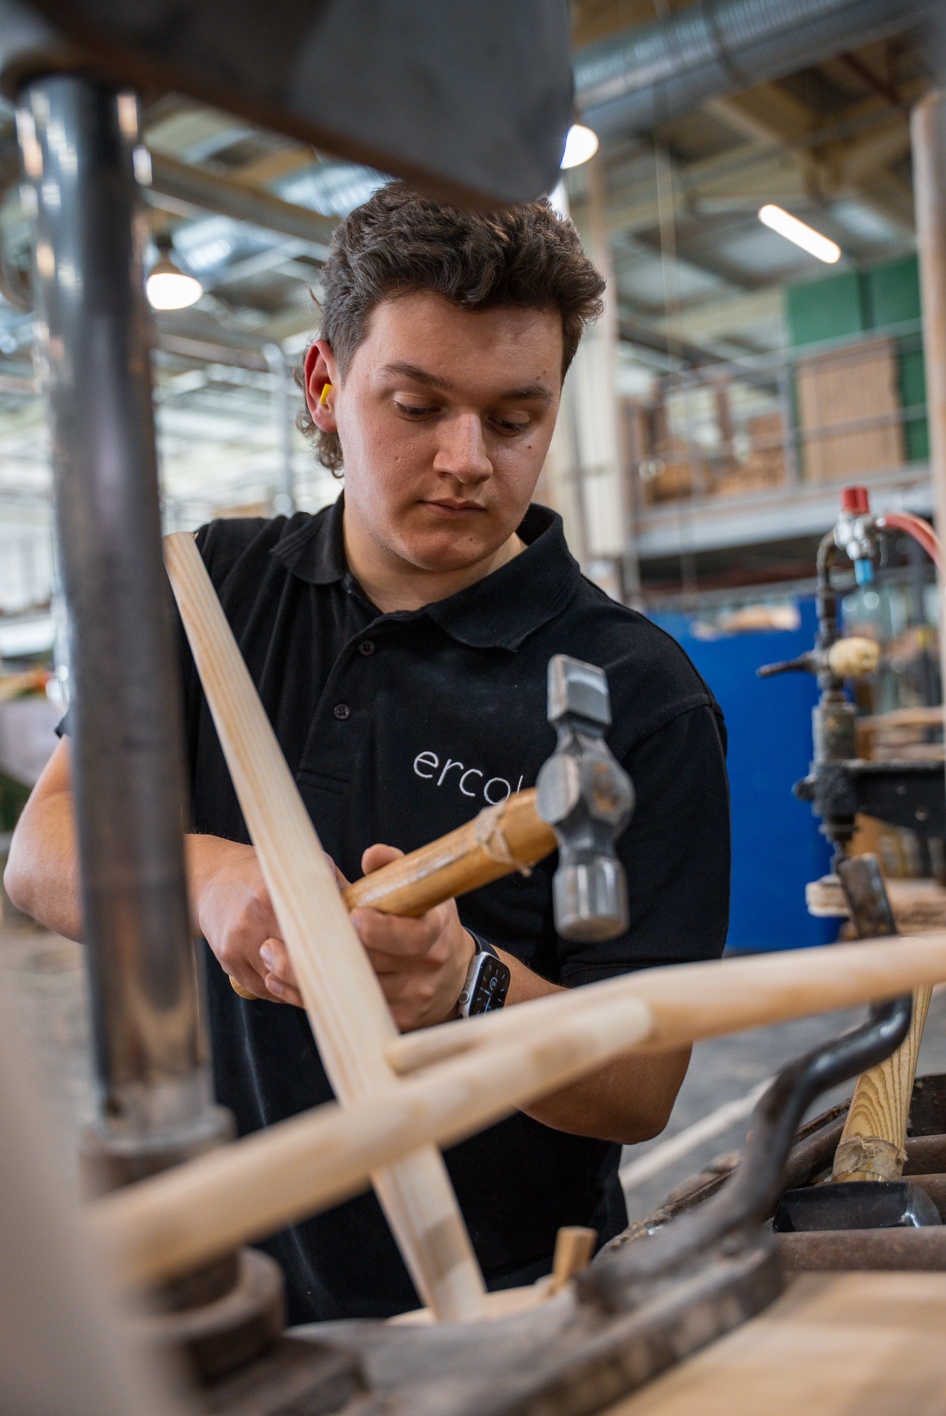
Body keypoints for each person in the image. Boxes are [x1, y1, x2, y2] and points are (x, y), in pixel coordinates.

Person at [5, 184, 730, 1323]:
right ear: (323, 386)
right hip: (209, 1292)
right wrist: (209, 878)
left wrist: (466, 987)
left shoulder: (639, 693)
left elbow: (640, 1087)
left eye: (514, 419)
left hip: (491, 1314)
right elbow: (41, 855)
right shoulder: (202, 591)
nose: (466, 460)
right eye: (417, 404)